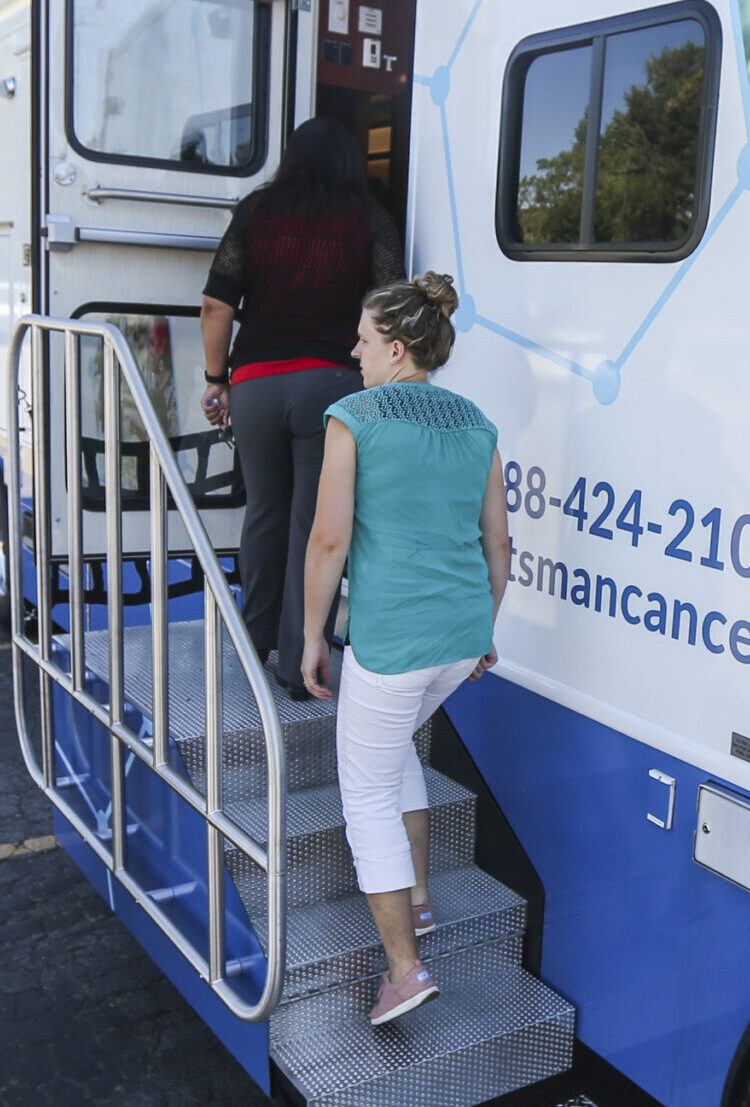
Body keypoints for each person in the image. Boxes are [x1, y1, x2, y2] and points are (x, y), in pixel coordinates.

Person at [299, 273, 510, 1025]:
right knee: (394, 756)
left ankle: (404, 969)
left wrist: (310, 637)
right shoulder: (477, 424)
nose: (352, 349)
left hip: (393, 641)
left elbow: (328, 541)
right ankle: (418, 903)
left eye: (361, 337)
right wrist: (485, 624)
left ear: (395, 347)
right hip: (461, 638)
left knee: (365, 793)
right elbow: (499, 545)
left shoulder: (354, 417)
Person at [200, 117, 405, 697]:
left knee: (264, 512)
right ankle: (297, 664)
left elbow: (217, 305)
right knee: (312, 525)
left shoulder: (257, 212)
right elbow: (391, 308)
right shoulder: (370, 221)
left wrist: (218, 380)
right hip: (332, 386)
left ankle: (252, 640)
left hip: (258, 382)